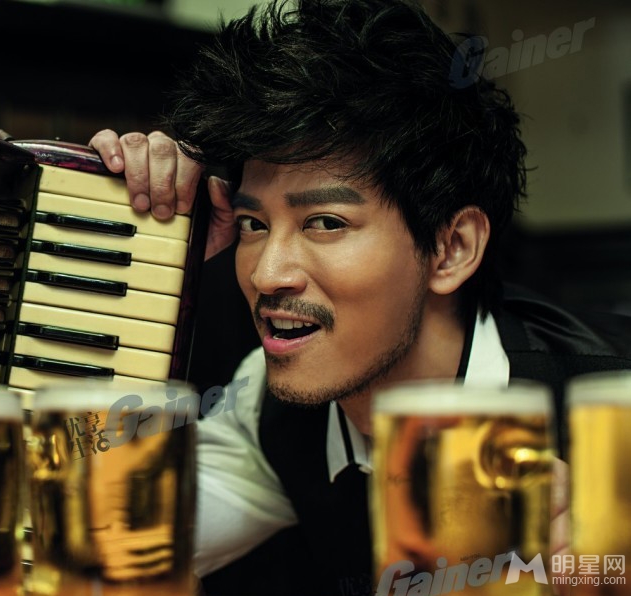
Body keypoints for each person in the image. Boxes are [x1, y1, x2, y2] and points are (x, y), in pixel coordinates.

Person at [89, 1, 631, 594]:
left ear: (452, 248)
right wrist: (128, 246)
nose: (268, 275)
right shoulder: (268, 405)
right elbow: (101, 543)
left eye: (325, 222)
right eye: (253, 225)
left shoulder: (613, 410)